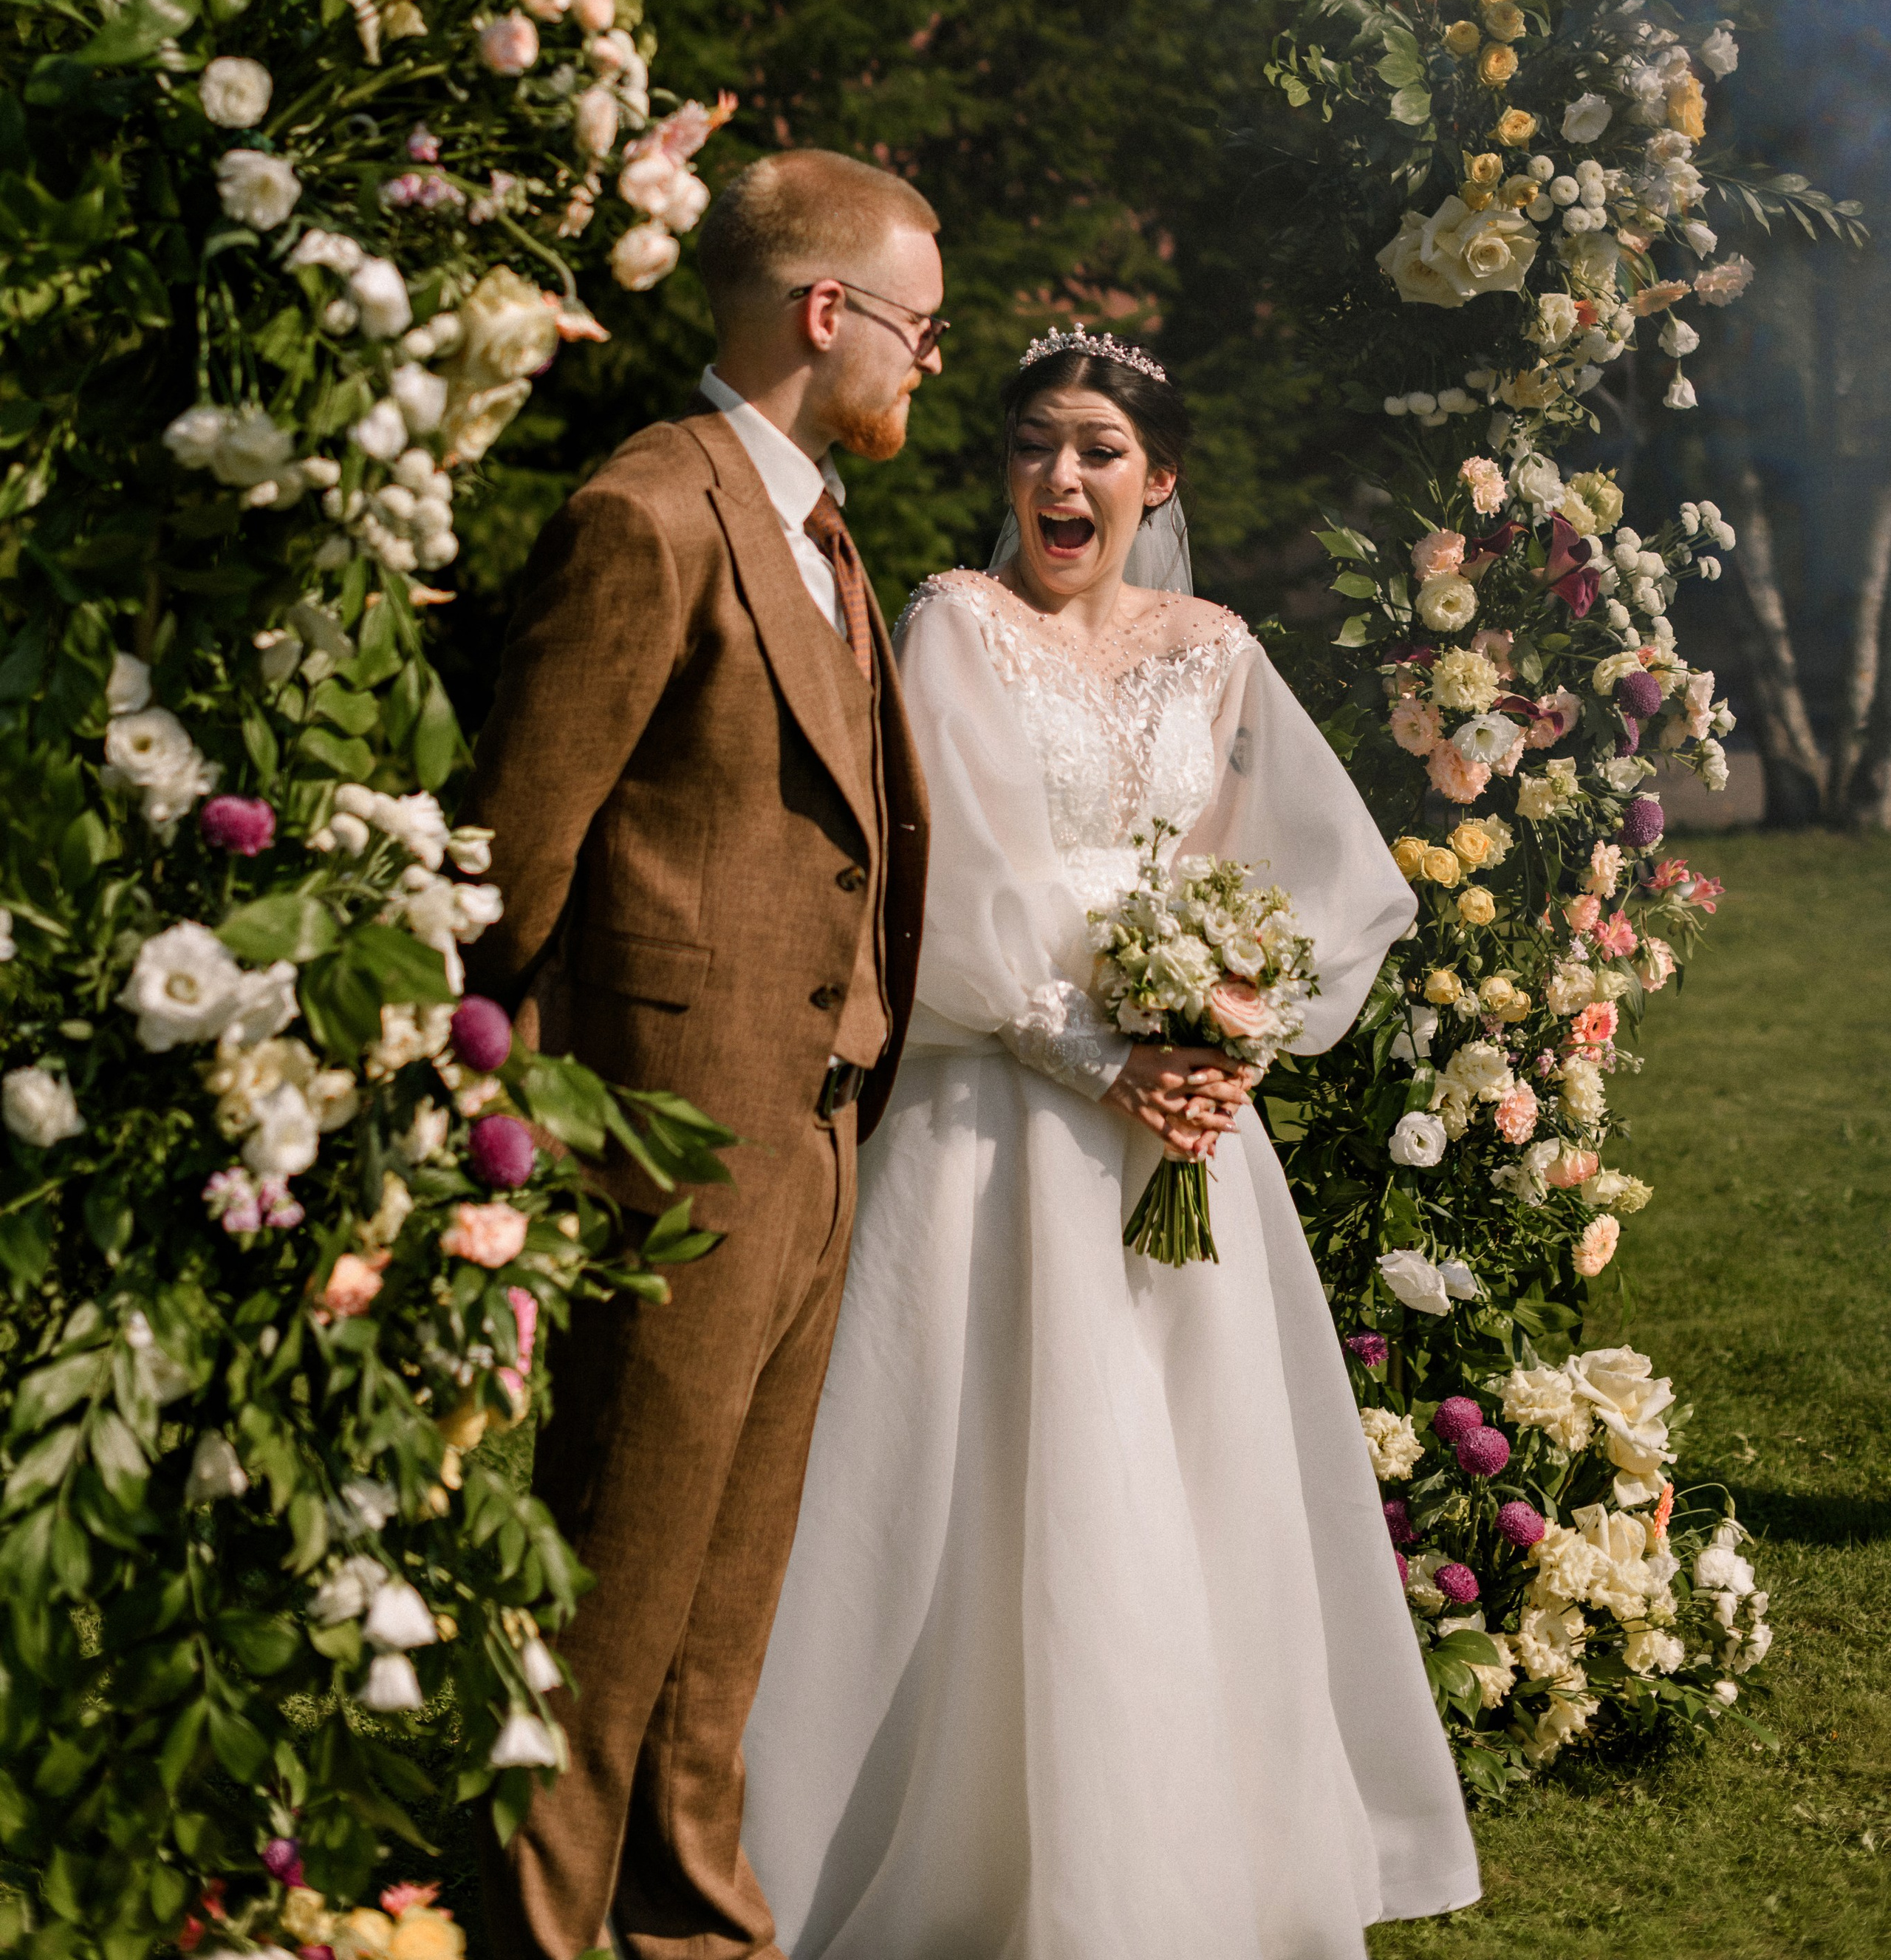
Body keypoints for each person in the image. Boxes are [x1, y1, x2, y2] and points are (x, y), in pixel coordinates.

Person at [741, 332, 1482, 1958]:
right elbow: (935, 892)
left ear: (1160, 478)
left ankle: (1184, 1839)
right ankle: (935, 1841)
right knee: (981, 1451)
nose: (1057, 479)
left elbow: (1315, 873)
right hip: (996, 1111)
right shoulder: (949, 626)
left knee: (1183, 1462)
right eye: (1030, 446)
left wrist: (1235, 1032)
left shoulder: (1214, 649)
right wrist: (1095, 1053)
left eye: (1093, 449)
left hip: (1183, 1128)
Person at [462, 148, 943, 1960]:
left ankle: (689, 1936)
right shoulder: (648, 514)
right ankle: (519, 1942)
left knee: (714, 1636)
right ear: (828, 315)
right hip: (660, 1156)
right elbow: (509, 865)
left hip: (811, 1148)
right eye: (919, 326)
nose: (928, 365)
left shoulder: (827, 537)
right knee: (604, 1610)